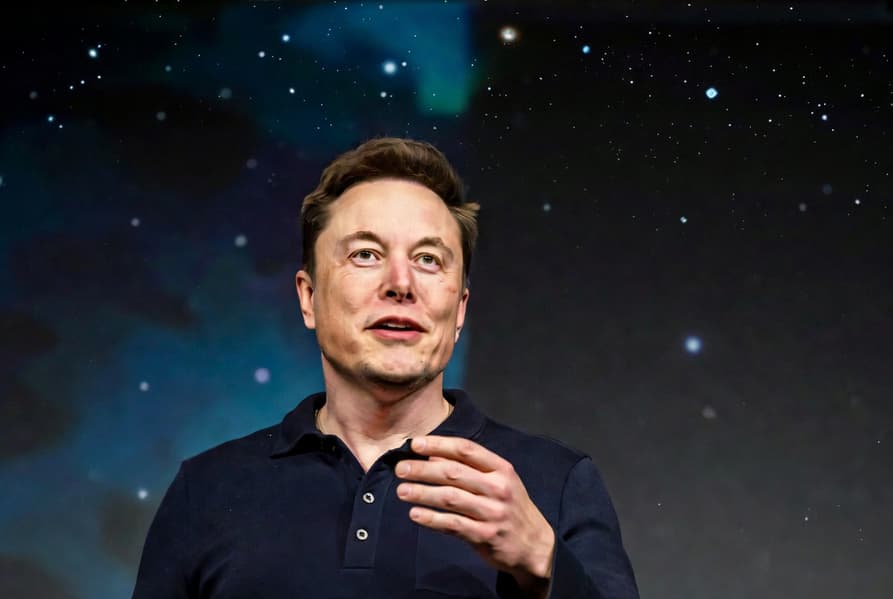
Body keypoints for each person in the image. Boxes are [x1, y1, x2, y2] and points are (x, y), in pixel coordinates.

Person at [132, 137, 638, 598]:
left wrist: (545, 563)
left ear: (460, 308)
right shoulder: (207, 489)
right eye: (366, 254)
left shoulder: (557, 484)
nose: (401, 283)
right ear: (308, 298)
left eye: (429, 259)